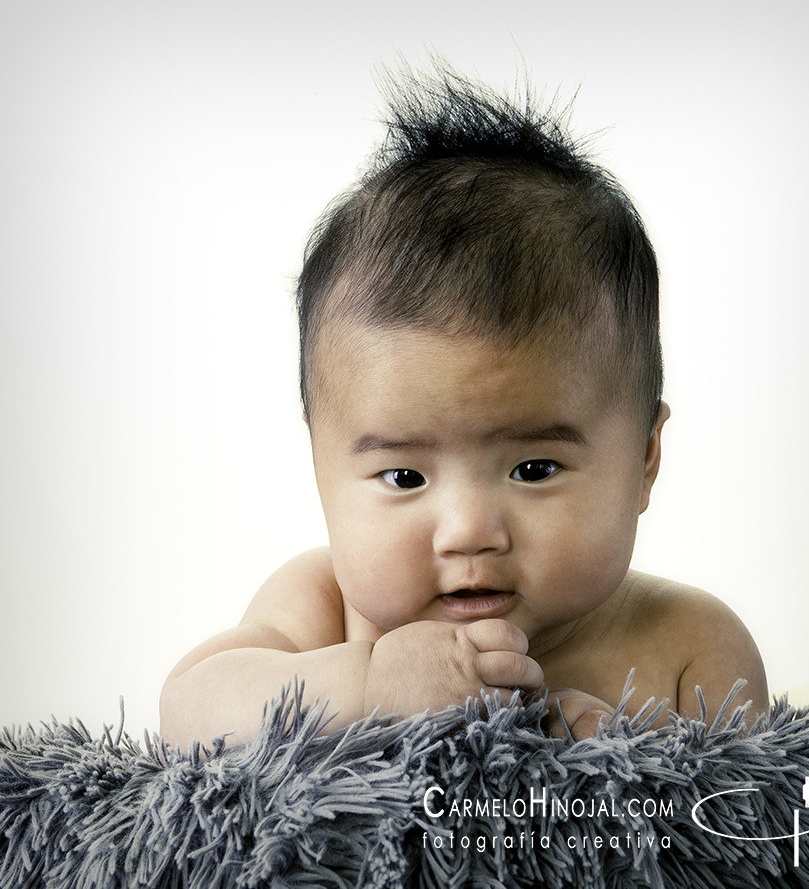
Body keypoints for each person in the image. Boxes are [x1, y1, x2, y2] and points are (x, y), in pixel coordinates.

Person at [159, 62, 767, 748]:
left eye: (534, 468)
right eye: (405, 476)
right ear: (320, 465)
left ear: (646, 460)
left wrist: (619, 769)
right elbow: (188, 710)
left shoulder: (688, 645)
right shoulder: (324, 607)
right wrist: (366, 685)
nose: (469, 532)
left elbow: (747, 828)